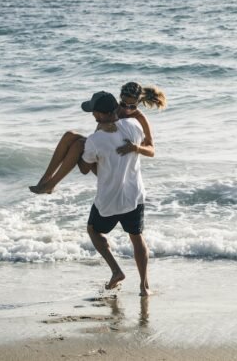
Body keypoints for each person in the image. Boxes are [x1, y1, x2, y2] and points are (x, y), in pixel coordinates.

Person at [29, 82, 166, 194]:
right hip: (103, 154)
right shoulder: (115, 109)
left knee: (79, 144)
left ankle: (52, 184)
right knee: (69, 136)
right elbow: (98, 133)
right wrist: (103, 126)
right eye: (123, 104)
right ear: (120, 99)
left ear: (139, 103)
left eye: (132, 106)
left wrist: (135, 147)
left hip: (115, 167)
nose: (126, 110)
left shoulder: (140, 119)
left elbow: (152, 150)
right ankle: (46, 180)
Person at [78, 91, 151, 296]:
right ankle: (144, 287)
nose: (92, 116)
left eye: (93, 112)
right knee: (137, 238)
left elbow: (85, 168)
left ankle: (116, 270)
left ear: (100, 115)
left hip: (108, 200)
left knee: (93, 230)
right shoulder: (135, 127)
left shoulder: (94, 140)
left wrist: (78, 150)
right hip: (134, 196)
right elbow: (144, 144)